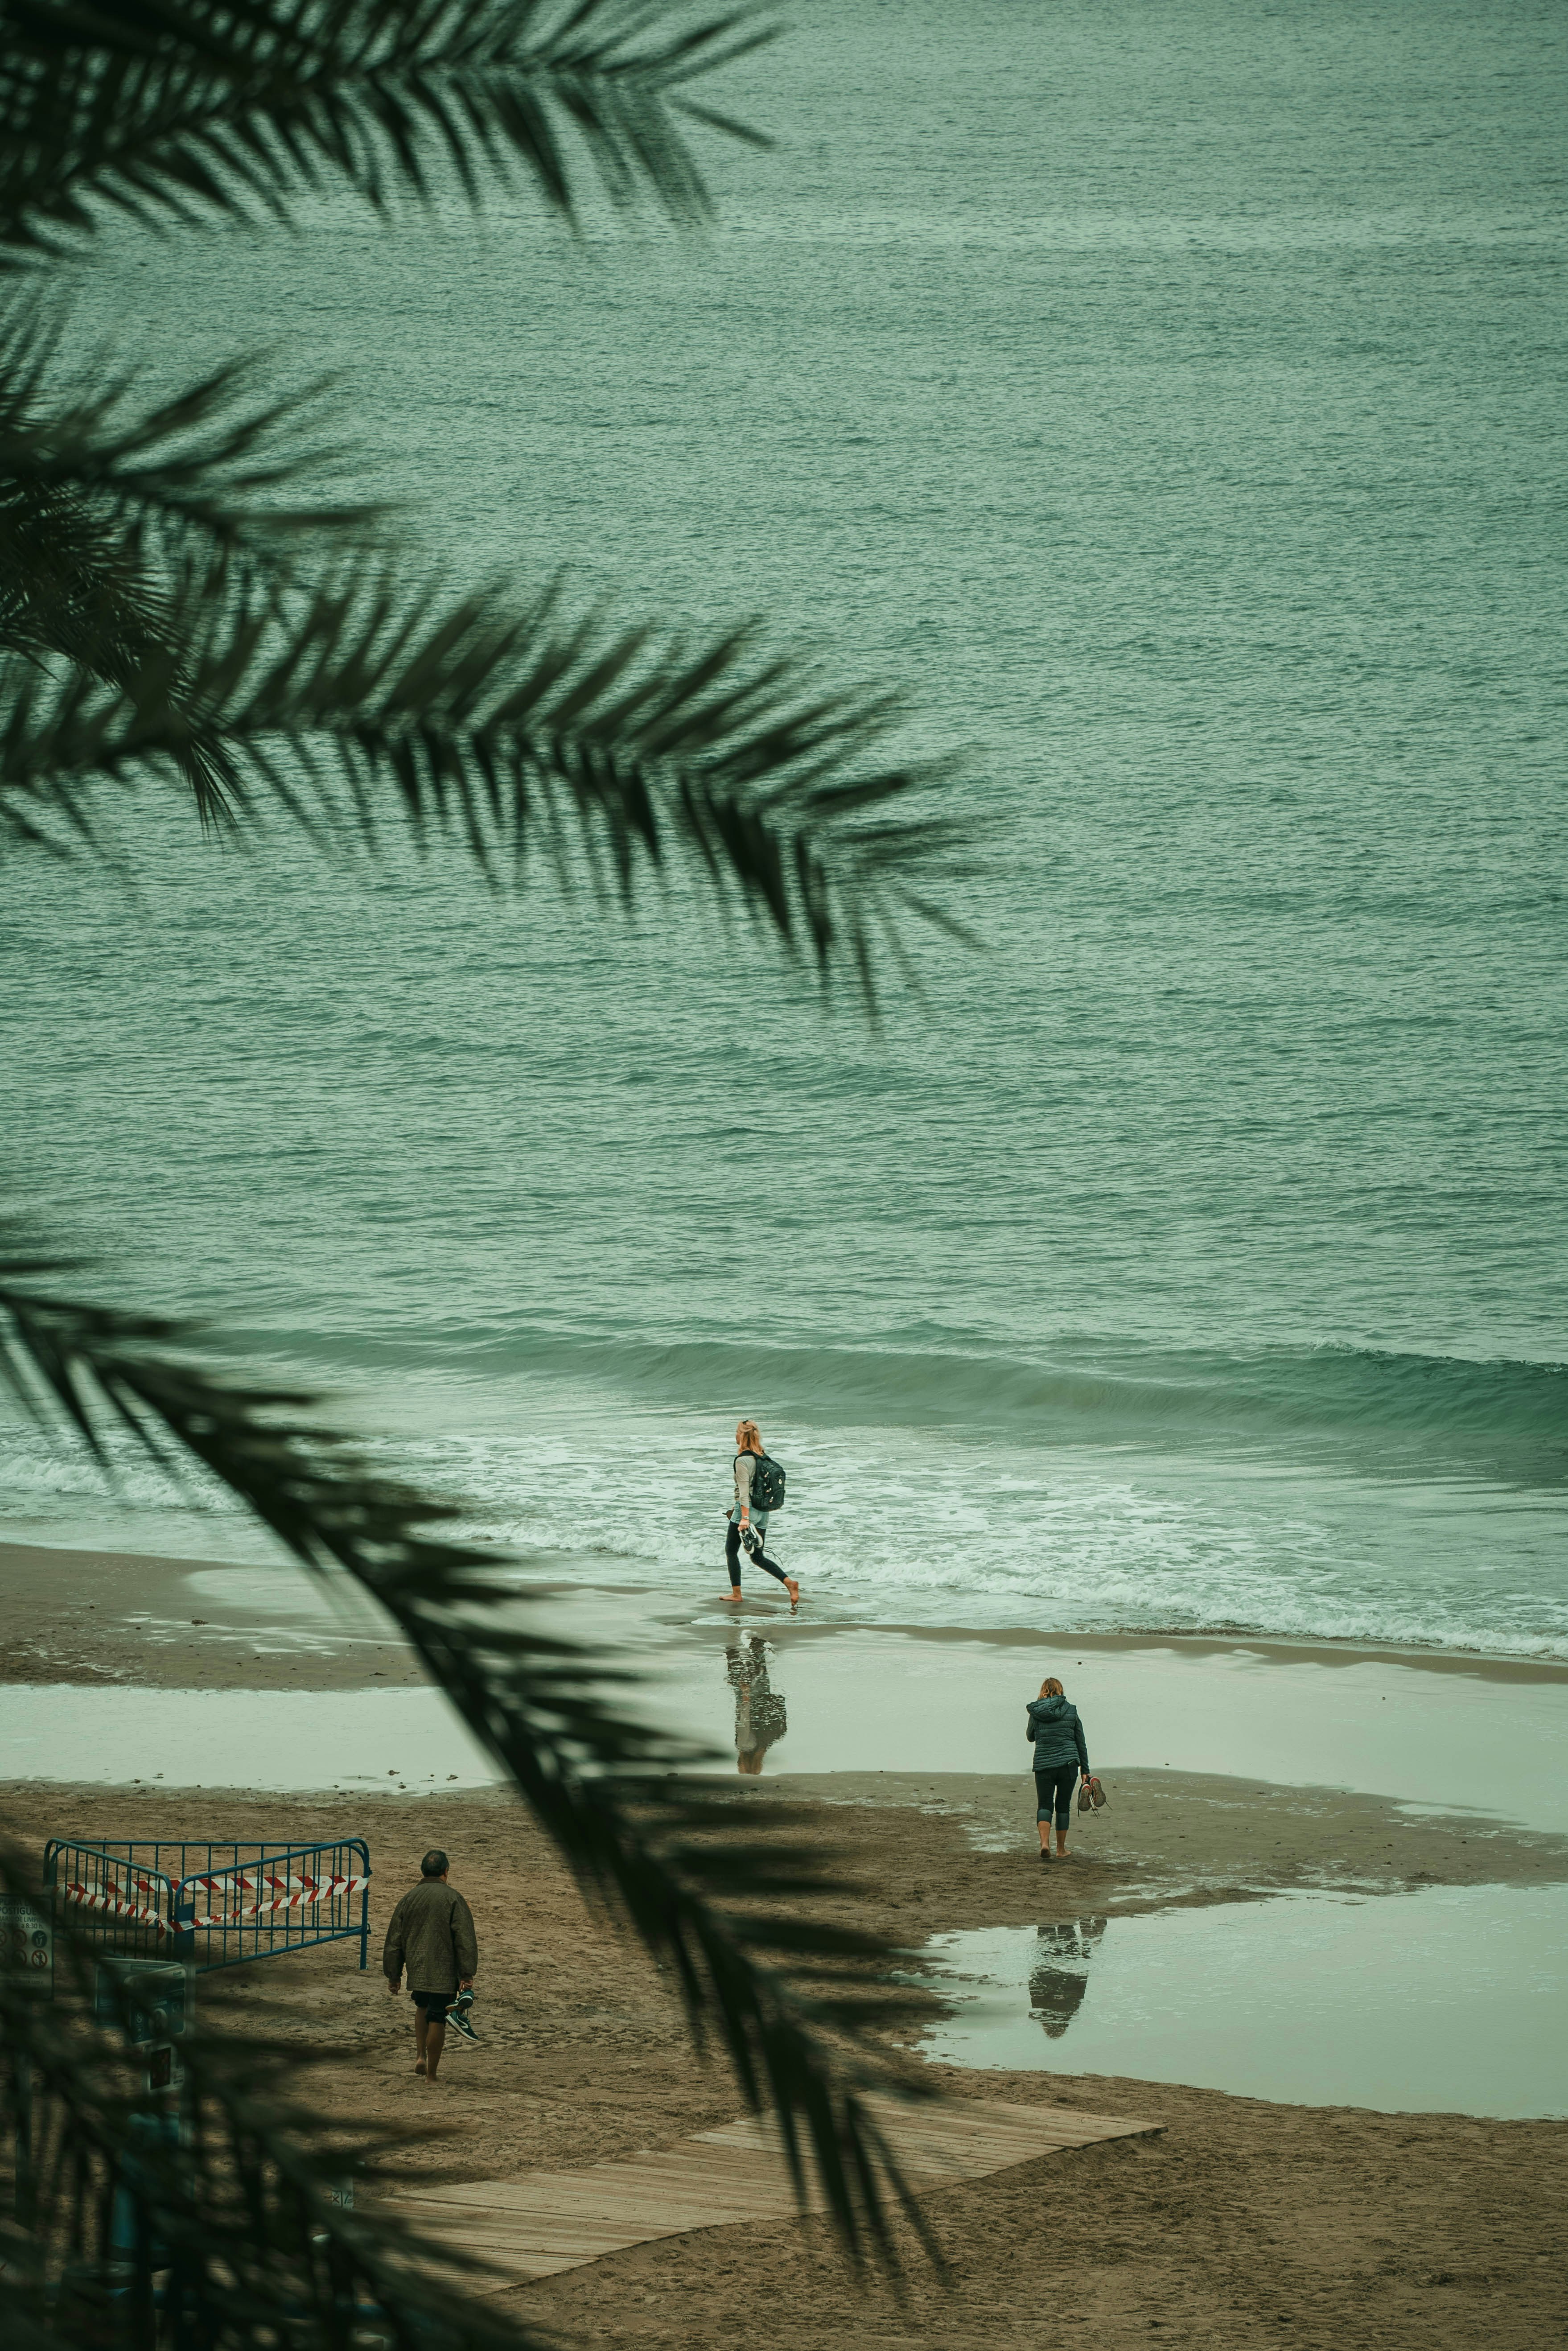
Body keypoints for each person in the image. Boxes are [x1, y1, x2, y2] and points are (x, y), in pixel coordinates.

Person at [383, 1848, 478, 2081]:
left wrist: (394, 1976)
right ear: (446, 1872)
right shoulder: (453, 1898)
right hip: (444, 1972)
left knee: (421, 2007)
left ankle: (420, 2056)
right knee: (438, 2016)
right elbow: (465, 1939)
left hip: (418, 1968)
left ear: (423, 1871)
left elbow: (394, 1941)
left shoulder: (408, 1899)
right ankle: (432, 2075)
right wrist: (467, 1973)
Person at [724, 1418, 799, 1607]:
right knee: (757, 1557)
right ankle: (789, 1583)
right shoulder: (762, 1456)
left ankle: (736, 1594)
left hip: (746, 1511)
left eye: (737, 1432)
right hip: (763, 1510)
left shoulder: (742, 1460)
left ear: (742, 1436)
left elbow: (744, 1492)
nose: (735, 1435)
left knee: (731, 1551)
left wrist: (744, 1518)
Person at [1026, 1676, 1090, 1863]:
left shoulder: (1036, 1711)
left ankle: (1044, 1844)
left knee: (1045, 1804)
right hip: (1068, 1764)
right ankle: (1061, 1850)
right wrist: (1085, 1770)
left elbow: (1030, 1737)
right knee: (1062, 1805)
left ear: (1043, 1690)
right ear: (1061, 1691)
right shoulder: (1071, 1710)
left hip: (1044, 1764)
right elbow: (1081, 1742)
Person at [726, 1633, 788, 1774]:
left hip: (763, 1696)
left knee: (757, 1655)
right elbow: (744, 1719)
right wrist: (745, 1694)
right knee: (733, 1655)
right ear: (742, 1761)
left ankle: (760, 1626)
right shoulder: (745, 1745)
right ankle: (732, 1629)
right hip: (749, 1695)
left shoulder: (765, 1744)